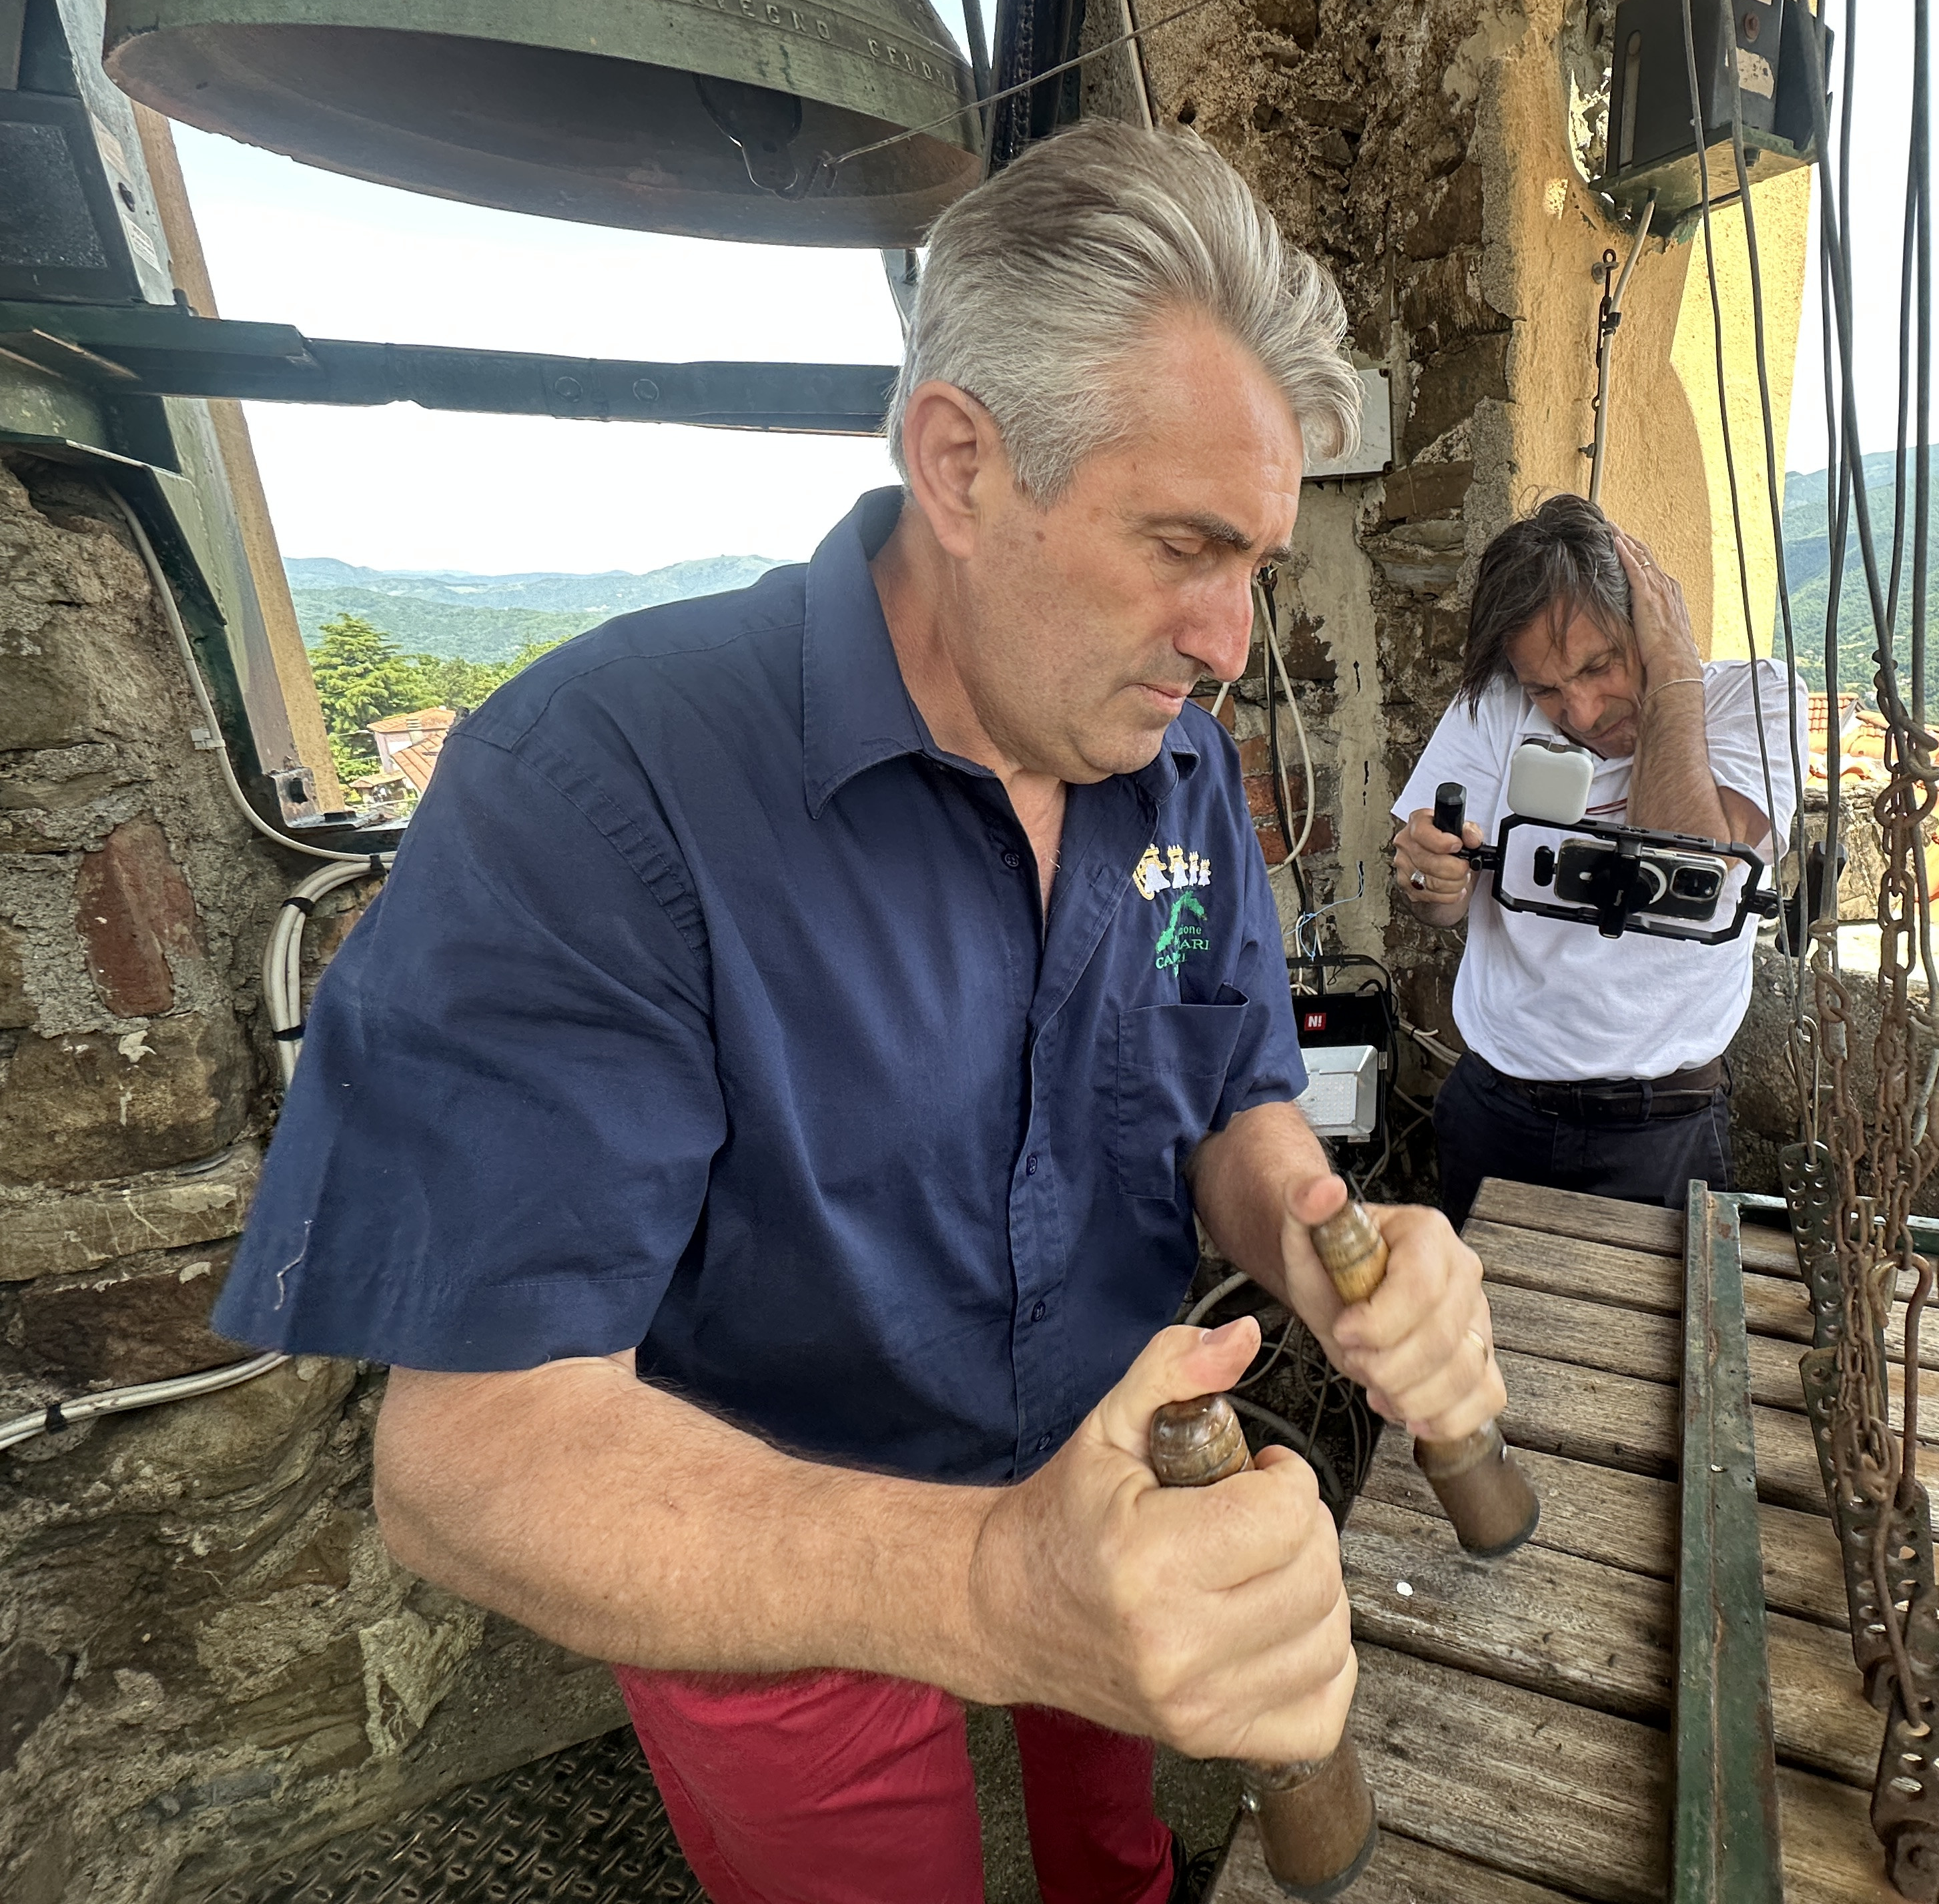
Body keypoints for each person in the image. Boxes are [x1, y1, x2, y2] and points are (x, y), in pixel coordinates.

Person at [212, 123, 1508, 1904]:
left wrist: (1340, 1246)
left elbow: (1226, 1108)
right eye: (1181, 545)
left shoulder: (1173, 763)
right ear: (962, 465)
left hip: (1124, 1455)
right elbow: (472, 1461)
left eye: (1260, 565)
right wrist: (986, 1587)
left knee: (1118, 1860)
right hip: (760, 1547)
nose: (1228, 638)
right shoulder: (600, 790)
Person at [1389, 494, 1804, 1227]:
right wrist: (1433, 876)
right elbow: (1440, 903)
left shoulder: (1759, 702)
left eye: (1602, 665)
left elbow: (1689, 873)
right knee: (1476, 1339)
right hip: (1496, 1107)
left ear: (1651, 623)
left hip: (1662, 1127)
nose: (1579, 712)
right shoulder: (1492, 707)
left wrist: (1674, 675)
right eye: (1545, 689)